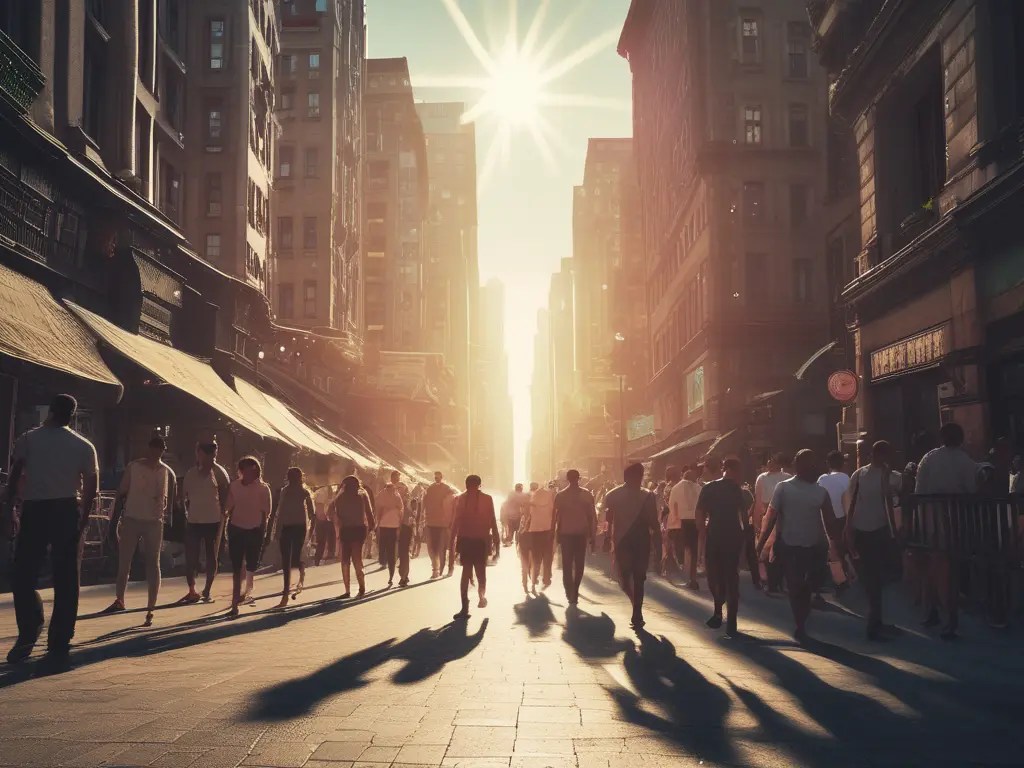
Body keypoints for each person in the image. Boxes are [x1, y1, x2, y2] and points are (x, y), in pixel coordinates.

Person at [6, 394, 99, 665]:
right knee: (67, 575)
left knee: (23, 572)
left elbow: (15, 476)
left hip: (35, 509)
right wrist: (84, 518)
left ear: (50, 411)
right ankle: (59, 637)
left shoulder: (28, 439)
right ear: (72, 414)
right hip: (66, 509)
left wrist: (9, 508)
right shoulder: (83, 445)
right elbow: (91, 484)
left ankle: (30, 627)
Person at [760, 450, 842, 642]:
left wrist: (836, 547)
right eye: (807, 464)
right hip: (791, 547)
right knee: (796, 586)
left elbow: (830, 523)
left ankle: (801, 620)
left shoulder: (821, 492)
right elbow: (771, 518)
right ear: (798, 466)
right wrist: (762, 544)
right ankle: (800, 623)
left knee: (804, 587)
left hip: (814, 547)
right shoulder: (783, 488)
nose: (810, 468)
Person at [914, 422, 978, 639]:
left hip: (929, 520)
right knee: (949, 570)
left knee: (934, 565)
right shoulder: (966, 461)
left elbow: (919, 489)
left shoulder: (929, 458)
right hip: (955, 522)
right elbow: (972, 490)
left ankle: (931, 610)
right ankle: (950, 619)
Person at [105, 435, 176, 627]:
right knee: (124, 561)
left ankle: (151, 607)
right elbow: (121, 493)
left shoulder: (165, 471)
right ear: (149, 449)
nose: (156, 453)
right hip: (132, 518)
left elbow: (166, 499)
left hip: (154, 521)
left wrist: (165, 518)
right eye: (154, 449)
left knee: (153, 563)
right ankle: (120, 599)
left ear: (162, 451)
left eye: (159, 450)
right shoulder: (134, 467)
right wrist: (113, 523)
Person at [845, 440, 901, 641]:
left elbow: (853, 504)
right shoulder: (871, 475)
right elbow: (853, 504)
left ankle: (874, 618)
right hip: (873, 530)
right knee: (874, 577)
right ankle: (874, 619)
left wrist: (849, 529)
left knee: (873, 576)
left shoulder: (866, 474)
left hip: (870, 529)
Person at [696, 458, 752, 637]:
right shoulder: (738, 492)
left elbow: (699, 513)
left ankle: (722, 613)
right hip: (730, 538)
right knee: (728, 577)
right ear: (730, 470)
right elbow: (744, 518)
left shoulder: (711, 488)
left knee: (717, 576)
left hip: (717, 537)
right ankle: (726, 615)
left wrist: (703, 534)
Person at [603, 463, 660, 630]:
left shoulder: (644, 496)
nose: (640, 479)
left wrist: (607, 538)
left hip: (625, 541)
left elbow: (608, 520)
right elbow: (654, 523)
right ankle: (636, 605)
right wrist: (658, 544)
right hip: (636, 541)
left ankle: (637, 611)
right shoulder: (645, 496)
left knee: (630, 578)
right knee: (633, 578)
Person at [180, 440, 230, 604]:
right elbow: (185, 496)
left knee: (212, 555)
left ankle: (207, 589)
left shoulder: (220, 473)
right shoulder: (191, 473)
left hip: (213, 521)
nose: (209, 458)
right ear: (199, 454)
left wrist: (225, 516)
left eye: (212, 455)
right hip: (194, 520)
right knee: (191, 556)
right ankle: (192, 589)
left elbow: (225, 497)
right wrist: (187, 513)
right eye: (204, 454)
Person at [225, 457, 273, 619]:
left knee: (251, 562)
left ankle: (248, 589)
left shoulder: (263, 488)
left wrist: (264, 532)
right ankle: (234, 601)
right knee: (237, 566)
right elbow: (228, 507)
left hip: (255, 529)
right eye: (245, 469)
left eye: (253, 470)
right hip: (236, 528)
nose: (249, 473)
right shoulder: (234, 486)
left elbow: (267, 513)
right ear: (241, 470)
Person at [450, 475, 500, 619]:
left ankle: (465, 608)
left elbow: (456, 522)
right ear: (479, 485)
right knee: (480, 572)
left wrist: (451, 542)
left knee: (466, 573)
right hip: (480, 541)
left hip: (466, 540)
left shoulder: (462, 499)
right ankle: (481, 597)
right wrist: (497, 543)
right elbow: (493, 521)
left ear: (466, 484)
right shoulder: (487, 499)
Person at [270, 467, 315, 608]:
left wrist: (311, 531)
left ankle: (300, 575)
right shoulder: (285, 491)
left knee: (294, 559)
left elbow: (312, 513)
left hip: (298, 527)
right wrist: (277, 530)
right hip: (287, 527)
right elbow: (280, 510)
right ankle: (286, 592)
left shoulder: (304, 492)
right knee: (286, 561)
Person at [553, 469, 597, 606]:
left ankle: (569, 591)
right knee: (579, 564)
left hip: (565, 534)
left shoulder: (560, 495)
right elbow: (592, 517)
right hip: (581, 534)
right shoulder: (587, 495)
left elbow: (556, 518)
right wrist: (593, 536)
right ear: (579, 478)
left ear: (567, 479)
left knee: (566, 564)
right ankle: (575, 591)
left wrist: (555, 535)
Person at [754, 454, 792, 594]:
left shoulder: (787, 477)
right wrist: (758, 521)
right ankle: (770, 581)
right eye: (769, 460)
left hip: (784, 516)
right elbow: (758, 502)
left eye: (774, 461)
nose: (770, 463)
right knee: (766, 550)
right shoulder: (762, 478)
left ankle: (777, 582)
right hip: (768, 515)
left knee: (778, 549)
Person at [333, 475, 375, 598]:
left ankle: (347, 590)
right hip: (359, 529)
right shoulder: (362, 494)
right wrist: (372, 527)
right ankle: (362, 588)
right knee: (357, 559)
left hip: (346, 529)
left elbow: (334, 512)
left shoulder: (340, 497)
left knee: (345, 560)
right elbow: (369, 512)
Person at [818, 450, 852, 594]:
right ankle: (844, 576)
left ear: (827, 464)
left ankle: (840, 578)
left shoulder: (821, 479)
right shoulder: (846, 478)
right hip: (842, 518)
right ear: (843, 464)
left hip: (825, 519)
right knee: (842, 548)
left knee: (832, 550)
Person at [668, 465, 702, 589]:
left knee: (681, 550)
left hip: (680, 523)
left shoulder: (676, 488)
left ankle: (682, 574)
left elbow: (672, 506)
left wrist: (673, 522)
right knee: (693, 551)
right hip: (694, 522)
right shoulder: (699, 488)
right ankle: (692, 577)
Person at [375, 471, 405, 587]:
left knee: (387, 549)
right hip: (389, 527)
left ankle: (389, 572)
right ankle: (389, 572)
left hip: (387, 527)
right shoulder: (395, 495)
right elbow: (401, 511)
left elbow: (378, 509)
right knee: (388, 550)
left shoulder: (394, 494)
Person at [423, 472, 455, 578]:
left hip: (443, 523)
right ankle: (435, 569)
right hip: (431, 523)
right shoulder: (430, 489)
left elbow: (451, 503)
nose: (437, 478)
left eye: (438, 477)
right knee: (432, 548)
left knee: (443, 547)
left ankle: (444, 567)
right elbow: (425, 503)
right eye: (435, 477)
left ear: (442, 477)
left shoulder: (447, 489)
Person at [527, 480, 556, 590]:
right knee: (547, 555)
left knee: (536, 556)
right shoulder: (550, 500)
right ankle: (546, 577)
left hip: (535, 530)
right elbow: (553, 514)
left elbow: (529, 514)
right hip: (547, 530)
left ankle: (534, 577)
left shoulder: (533, 500)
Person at [312, 483, 338, 566]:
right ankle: (318, 559)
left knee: (330, 539)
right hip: (324, 520)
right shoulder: (321, 492)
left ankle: (327, 558)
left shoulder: (333, 490)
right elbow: (319, 509)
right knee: (322, 541)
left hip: (328, 519)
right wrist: (323, 519)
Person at [398, 494, 420, 587]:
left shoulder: (411, 505)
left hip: (406, 531)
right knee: (403, 555)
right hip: (403, 530)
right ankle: (403, 576)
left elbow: (414, 520)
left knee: (404, 554)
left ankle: (404, 576)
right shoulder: (404, 504)